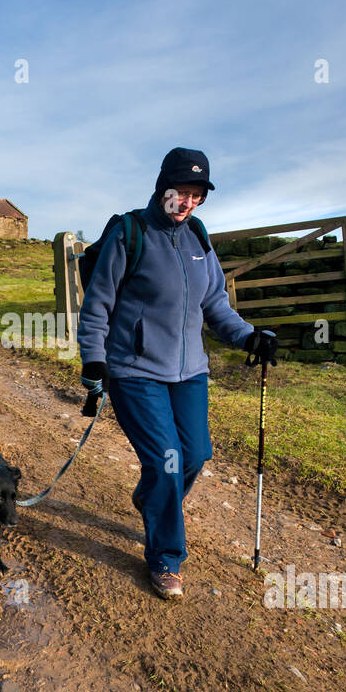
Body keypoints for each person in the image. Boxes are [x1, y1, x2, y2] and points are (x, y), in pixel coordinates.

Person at [77, 147, 278, 599]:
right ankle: (166, 558)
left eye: (196, 195)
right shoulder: (131, 233)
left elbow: (215, 304)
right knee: (166, 461)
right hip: (134, 370)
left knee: (195, 455)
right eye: (180, 192)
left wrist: (249, 337)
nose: (186, 202)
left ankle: (151, 501)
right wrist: (93, 358)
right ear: (161, 187)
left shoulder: (199, 240)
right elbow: (98, 304)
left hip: (189, 372)